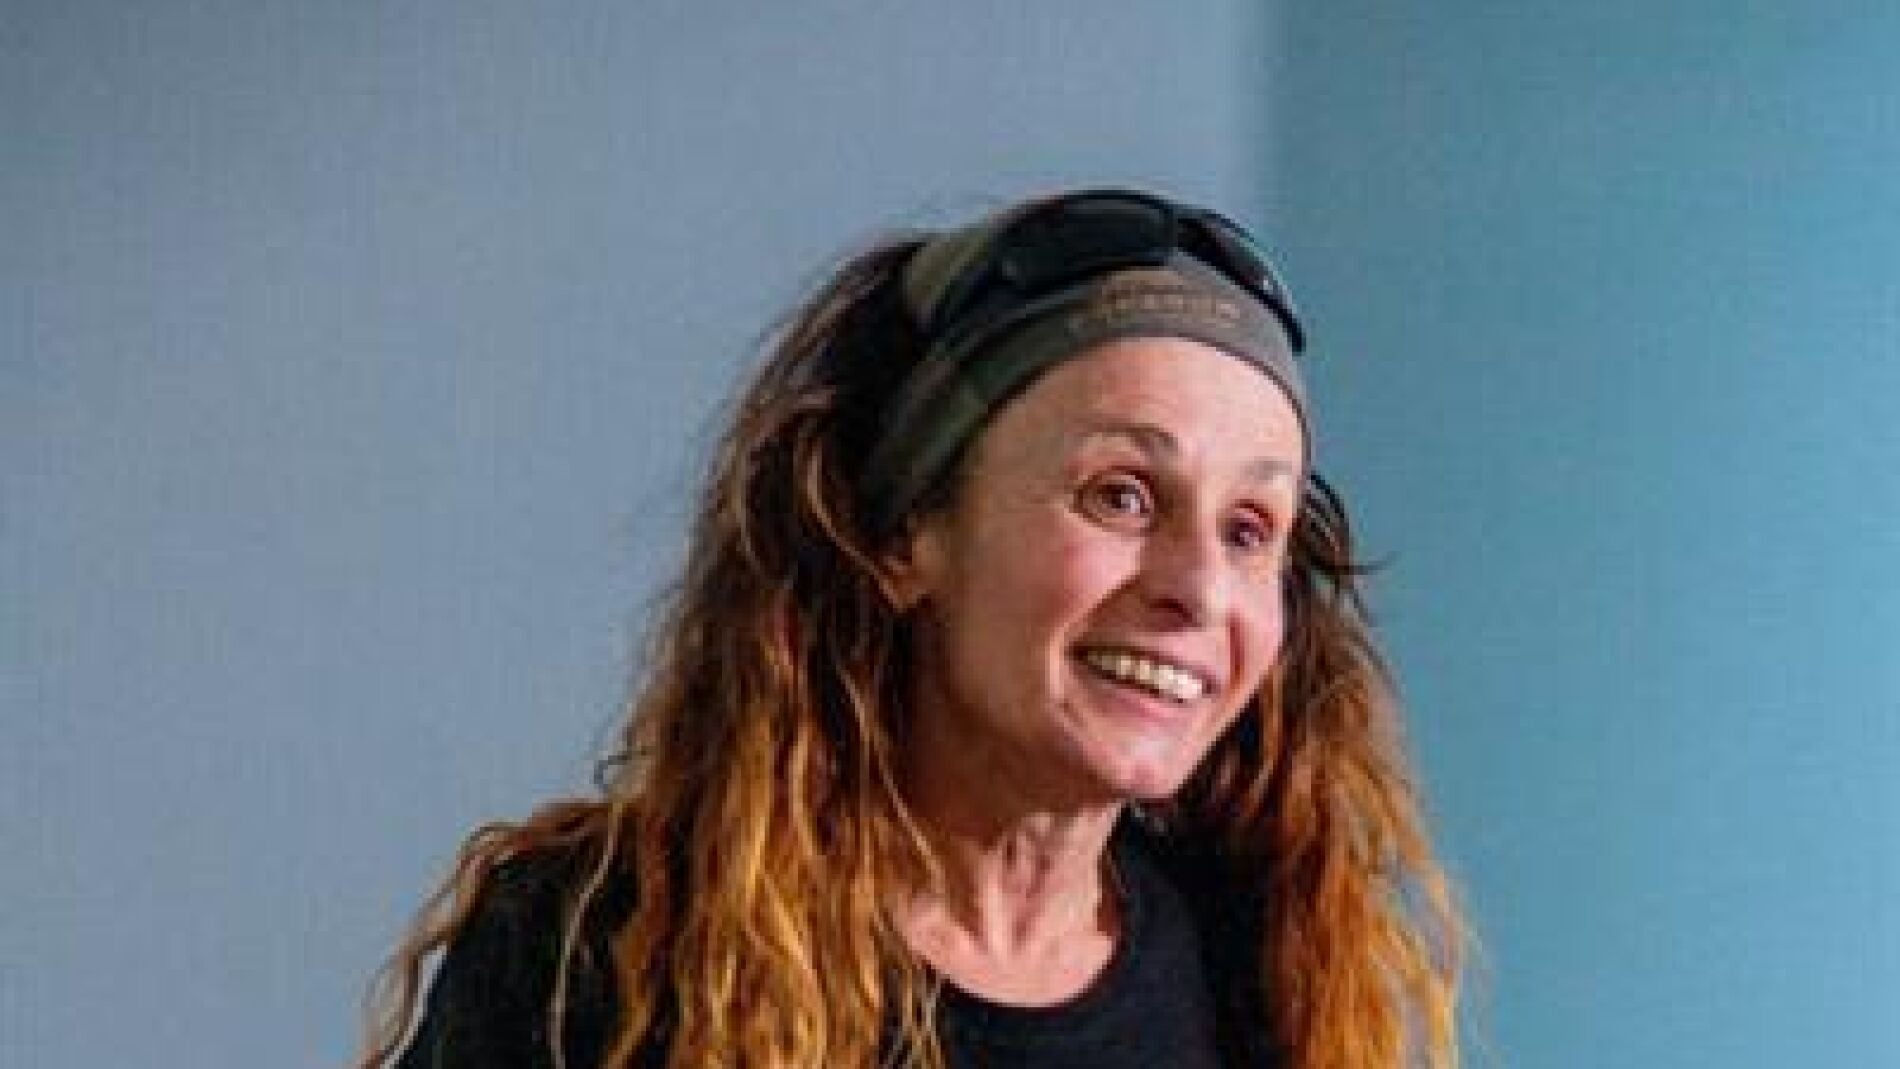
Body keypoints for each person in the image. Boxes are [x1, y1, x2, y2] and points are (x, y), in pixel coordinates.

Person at [358, 188, 1467, 1069]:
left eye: (1248, 528)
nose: (1200, 588)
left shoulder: (1260, 971)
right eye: (1121, 496)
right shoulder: (598, 948)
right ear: (898, 535)